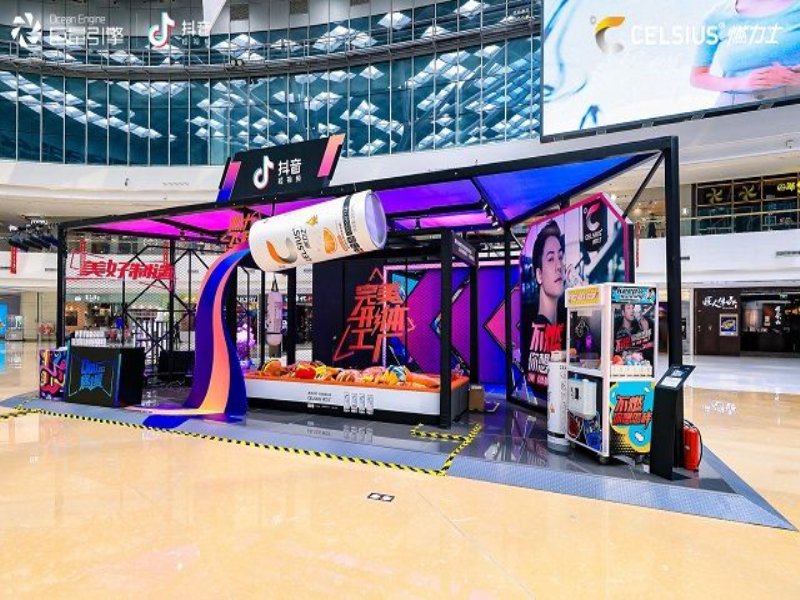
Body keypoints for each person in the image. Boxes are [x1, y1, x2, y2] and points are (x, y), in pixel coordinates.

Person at [690, 0, 800, 106]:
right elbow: (698, 77)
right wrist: (742, 83)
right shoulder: (717, 16)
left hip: (791, 102)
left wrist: (795, 78)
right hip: (734, 106)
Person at [531, 220, 566, 325]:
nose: (559, 266)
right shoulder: (539, 330)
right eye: (550, 259)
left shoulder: (563, 321)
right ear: (539, 275)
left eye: (560, 257)